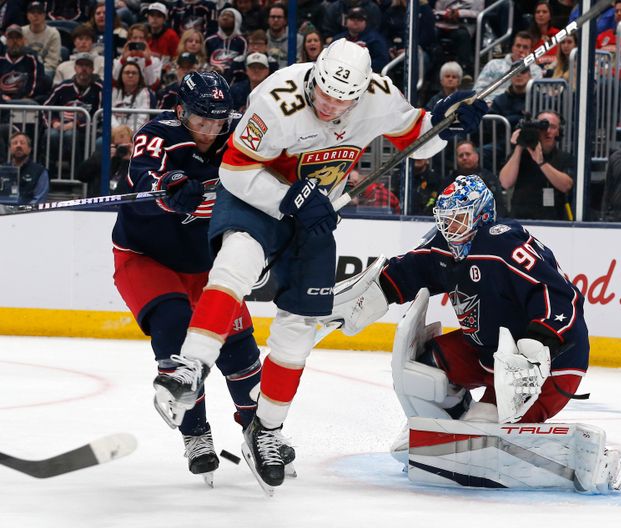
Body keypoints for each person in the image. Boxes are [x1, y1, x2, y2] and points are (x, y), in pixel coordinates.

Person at [157, 38, 487, 493]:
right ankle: (190, 367)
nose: (330, 105)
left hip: (312, 218)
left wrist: (446, 121)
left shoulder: (379, 95)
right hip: (259, 197)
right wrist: (289, 196)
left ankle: (266, 430)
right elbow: (235, 169)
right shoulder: (278, 98)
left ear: (361, 91)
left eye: (341, 99)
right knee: (235, 264)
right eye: (323, 93)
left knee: (298, 332)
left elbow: (418, 139)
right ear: (313, 76)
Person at [320, 175, 613, 488]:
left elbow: (561, 296)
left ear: (481, 215)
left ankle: (480, 430)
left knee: (483, 428)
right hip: (487, 354)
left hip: (549, 367)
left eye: (457, 221)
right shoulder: (446, 247)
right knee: (420, 368)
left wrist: (537, 345)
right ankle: (444, 429)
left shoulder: (503, 243)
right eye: (445, 222)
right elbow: (409, 270)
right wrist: (369, 295)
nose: (450, 230)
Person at [112, 71, 263, 486]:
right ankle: (196, 434)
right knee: (175, 328)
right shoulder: (158, 133)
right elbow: (141, 178)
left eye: (218, 122)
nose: (210, 133)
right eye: (201, 122)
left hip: (207, 263)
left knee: (238, 347)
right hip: (146, 257)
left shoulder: (239, 138)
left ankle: (261, 430)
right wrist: (166, 187)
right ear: (181, 111)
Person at [499, 110, 575, 220]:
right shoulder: (520, 155)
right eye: (543, 126)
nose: (547, 131)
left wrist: (541, 162)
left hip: (555, 221)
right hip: (521, 219)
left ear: (559, 132)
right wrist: (520, 146)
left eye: (552, 127)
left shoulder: (565, 158)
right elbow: (505, 183)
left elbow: (567, 186)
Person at [473, 31, 542, 106]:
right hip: (491, 107)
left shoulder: (535, 70)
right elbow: (477, 90)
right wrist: (487, 102)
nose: (521, 50)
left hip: (521, 107)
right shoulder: (493, 65)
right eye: (518, 46)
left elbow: (536, 94)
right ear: (512, 48)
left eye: (525, 47)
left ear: (530, 51)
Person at [334, 7, 390, 72]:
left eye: (359, 19)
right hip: (339, 72)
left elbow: (381, 61)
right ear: (346, 21)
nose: (355, 21)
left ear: (365, 22)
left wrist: (360, 67)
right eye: (352, 18)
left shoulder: (375, 39)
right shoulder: (338, 39)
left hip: (366, 75)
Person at [0, 25, 47, 102]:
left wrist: (19, 98)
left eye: (18, 38)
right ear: (6, 41)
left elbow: (38, 83)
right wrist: (2, 97)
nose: (15, 41)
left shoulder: (32, 58)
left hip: (25, 100)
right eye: (11, 38)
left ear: (23, 40)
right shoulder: (1, 59)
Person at [113, 23, 163, 90]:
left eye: (141, 38)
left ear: (146, 41)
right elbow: (115, 82)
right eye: (135, 38)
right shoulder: (119, 61)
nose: (138, 41)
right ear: (129, 40)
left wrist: (148, 61)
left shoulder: (155, 61)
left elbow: (152, 85)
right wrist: (123, 60)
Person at [111, 60, 157, 132]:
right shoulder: (114, 91)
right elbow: (108, 115)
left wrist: (129, 132)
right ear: (121, 75)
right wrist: (118, 131)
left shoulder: (145, 93)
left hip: (137, 134)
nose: (130, 75)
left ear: (139, 76)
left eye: (134, 73)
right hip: (114, 133)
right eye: (127, 72)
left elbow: (143, 118)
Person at [205, 7, 247, 84]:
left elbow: (242, 62)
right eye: (223, 15)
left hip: (234, 81)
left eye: (229, 16)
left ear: (237, 21)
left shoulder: (242, 41)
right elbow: (204, 61)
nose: (225, 18)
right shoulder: (210, 40)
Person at [21, 1, 61, 81]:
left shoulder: (53, 33)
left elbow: (52, 63)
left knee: (46, 77)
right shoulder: (21, 31)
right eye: (32, 12)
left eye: (39, 12)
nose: (36, 15)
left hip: (45, 70)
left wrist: (37, 72)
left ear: (44, 15)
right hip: (24, 69)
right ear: (27, 16)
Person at [9, 132, 48, 205]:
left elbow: (39, 199)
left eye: (22, 143)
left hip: (27, 213)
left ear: (29, 149)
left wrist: (22, 212)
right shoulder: (3, 170)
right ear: (10, 149)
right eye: (15, 143)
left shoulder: (39, 171)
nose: (18, 145)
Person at [265, 3, 302, 69]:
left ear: (285, 20)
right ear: (268, 20)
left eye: (279, 17)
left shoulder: (298, 39)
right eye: (273, 17)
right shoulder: (263, 39)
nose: (275, 20)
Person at [528, 0, 560, 66]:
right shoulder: (529, 36)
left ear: (550, 16)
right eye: (538, 12)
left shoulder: (558, 34)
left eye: (544, 12)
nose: (541, 14)